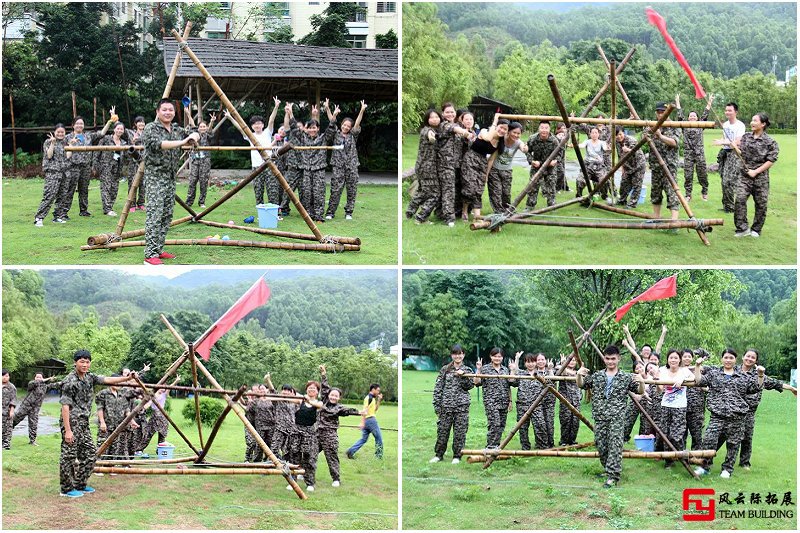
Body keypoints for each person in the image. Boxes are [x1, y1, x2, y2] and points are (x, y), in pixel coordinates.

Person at [59, 350, 136, 497]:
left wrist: (127, 378)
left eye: (87, 362)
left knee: (90, 454)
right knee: (68, 456)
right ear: (75, 362)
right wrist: (68, 430)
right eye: (82, 361)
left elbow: (108, 380)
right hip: (71, 423)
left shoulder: (90, 377)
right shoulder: (69, 381)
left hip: (83, 423)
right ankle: (66, 489)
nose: (85, 365)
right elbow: (65, 406)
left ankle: (80, 484)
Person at [141, 98, 200, 265]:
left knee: (166, 215)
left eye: (171, 110)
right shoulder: (150, 128)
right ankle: (150, 254)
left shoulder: (175, 128)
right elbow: (158, 144)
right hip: (155, 178)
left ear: (174, 113)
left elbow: (195, 132)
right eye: (164, 109)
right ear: (158, 112)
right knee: (155, 214)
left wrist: (193, 136)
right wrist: (182, 142)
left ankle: (158, 249)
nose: (168, 112)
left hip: (170, 178)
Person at [577, 344, 644, 488]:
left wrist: (642, 381)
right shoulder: (597, 376)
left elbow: (639, 391)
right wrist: (579, 374)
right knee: (601, 444)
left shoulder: (626, 377)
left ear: (618, 359)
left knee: (615, 445)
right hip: (600, 416)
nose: (610, 362)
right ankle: (608, 469)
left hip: (617, 417)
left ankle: (613, 475)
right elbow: (582, 385)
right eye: (607, 359)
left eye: (613, 359)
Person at [694, 349, 764, 478]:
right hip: (717, 416)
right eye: (726, 357)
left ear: (735, 360)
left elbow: (756, 388)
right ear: (722, 359)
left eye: (731, 358)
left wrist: (760, 375)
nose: (728, 360)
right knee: (709, 440)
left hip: (736, 417)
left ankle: (727, 469)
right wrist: (697, 366)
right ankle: (704, 466)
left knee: (733, 444)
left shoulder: (744, 376)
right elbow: (699, 381)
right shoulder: (714, 374)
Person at [736, 349, 796, 470]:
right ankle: (707, 459)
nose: (749, 359)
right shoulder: (732, 370)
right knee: (722, 435)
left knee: (747, 437)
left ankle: (744, 463)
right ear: (743, 357)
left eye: (753, 357)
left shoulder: (759, 375)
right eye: (747, 356)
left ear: (756, 361)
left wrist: (793, 389)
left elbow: (776, 383)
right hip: (732, 410)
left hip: (749, 412)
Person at [287, 102, 337, 222]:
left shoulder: (323, 139)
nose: (312, 130)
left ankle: (319, 216)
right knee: (307, 194)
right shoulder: (303, 137)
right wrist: (290, 113)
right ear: (307, 129)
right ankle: (308, 216)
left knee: (319, 194)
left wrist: (333, 115)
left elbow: (331, 129)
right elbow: (294, 128)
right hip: (306, 170)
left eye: (314, 127)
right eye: (310, 128)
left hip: (318, 170)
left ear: (318, 128)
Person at [228, 97, 281, 206]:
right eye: (254, 124)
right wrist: (230, 117)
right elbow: (240, 128)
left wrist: (276, 106)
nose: (257, 125)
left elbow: (271, 120)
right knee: (258, 190)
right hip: (256, 167)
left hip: (269, 164)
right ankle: (261, 212)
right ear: (252, 126)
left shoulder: (267, 132)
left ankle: (275, 213)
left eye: (259, 123)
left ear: (262, 125)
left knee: (273, 190)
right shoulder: (250, 135)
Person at [733, 113, 779, 238]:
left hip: (760, 178)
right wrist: (734, 148)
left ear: (763, 124)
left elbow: (771, 160)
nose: (752, 123)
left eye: (755, 120)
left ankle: (756, 229)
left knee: (761, 204)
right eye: (752, 120)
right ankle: (742, 228)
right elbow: (742, 154)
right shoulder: (746, 137)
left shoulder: (770, 142)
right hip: (745, 175)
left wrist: (756, 171)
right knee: (740, 199)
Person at [60, 113, 113, 219]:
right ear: (73, 125)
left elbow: (101, 133)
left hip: (86, 167)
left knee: (84, 189)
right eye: (77, 123)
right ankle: (64, 212)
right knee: (70, 190)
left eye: (81, 124)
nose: (79, 125)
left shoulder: (88, 136)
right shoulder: (67, 137)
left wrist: (109, 122)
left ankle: (83, 210)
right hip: (72, 167)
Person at [317, 365, 361, 487]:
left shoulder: (339, 407)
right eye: (332, 395)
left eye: (336, 396)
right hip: (318, 433)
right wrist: (324, 374)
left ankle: (336, 479)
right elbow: (325, 387)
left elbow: (347, 411)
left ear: (339, 398)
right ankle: (305, 473)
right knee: (310, 453)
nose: (333, 397)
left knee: (331, 457)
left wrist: (359, 412)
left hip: (330, 436)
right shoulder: (324, 401)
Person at [431, 345, 474, 464]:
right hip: (446, 406)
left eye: (460, 354)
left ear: (463, 355)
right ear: (452, 355)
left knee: (460, 432)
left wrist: (463, 376)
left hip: (462, 406)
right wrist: (437, 405)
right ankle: (439, 455)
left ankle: (457, 455)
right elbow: (438, 388)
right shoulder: (445, 369)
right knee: (442, 431)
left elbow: (470, 386)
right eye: (455, 354)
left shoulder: (467, 370)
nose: (458, 356)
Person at [326, 100, 367, 220]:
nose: (346, 127)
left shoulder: (353, 135)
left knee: (352, 190)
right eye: (344, 125)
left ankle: (349, 212)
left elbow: (357, 123)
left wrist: (362, 110)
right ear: (341, 125)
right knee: (335, 189)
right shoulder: (336, 134)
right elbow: (332, 123)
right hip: (338, 166)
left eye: (348, 126)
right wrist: (329, 110)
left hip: (351, 166)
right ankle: (330, 213)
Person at [658, 349, 699, 466]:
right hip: (665, 405)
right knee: (665, 434)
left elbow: (696, 379)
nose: (673, 360)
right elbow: (660, 389)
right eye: (671, 358)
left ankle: (682, 457)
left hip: (679, 407)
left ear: (679, 359)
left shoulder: (684, 371)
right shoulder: (663, 370)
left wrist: (683, 379)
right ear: (667, 360)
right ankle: (669, 461)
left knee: (677, 435)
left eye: (676, 358)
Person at [461, 121, 508, 220]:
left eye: (505, 129)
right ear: (496, 126)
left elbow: (490, 160)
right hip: (470, 159)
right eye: (501, 127)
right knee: (470, 187)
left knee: (479, 189)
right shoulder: (484, 131)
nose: (502, 130)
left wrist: (486, 174)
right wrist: (495, 120)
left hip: (482, 163)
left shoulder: (499, 144)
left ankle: (477, 217)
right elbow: (487, 138)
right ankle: (464, 210)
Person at [437, 102, 471, 226]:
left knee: (456, 190)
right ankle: (449, 219)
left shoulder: (457, 125)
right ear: (443, 114)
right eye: (447, 112)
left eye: (452, 111)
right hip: (446, 164)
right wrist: (465, 132)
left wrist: (468, 135)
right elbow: (455, 129)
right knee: (448, 191)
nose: (450, 114)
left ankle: (445, 213)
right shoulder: (444, 125)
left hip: (457, 165)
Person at [406, 109, 442, 224]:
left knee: (422, 192)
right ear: (427, 119)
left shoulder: (426, 130)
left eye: (437, 117)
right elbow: (430, 135)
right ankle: (421, 218)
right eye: (432, 117)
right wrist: (432, 138)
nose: (435, 119)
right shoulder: (428, 130)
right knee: (435, 194)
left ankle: (409, 212)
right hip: (428, 168)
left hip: (422, 167)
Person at [648, 102, 682, 225]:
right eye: (659, 112)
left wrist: (660, 136)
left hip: (669, 166)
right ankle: (656, 218)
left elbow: (674, 142)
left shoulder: (674, 126)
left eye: (663, 112)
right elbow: (644, 139)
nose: (660, 114)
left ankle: (674, 222)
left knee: (672, 193)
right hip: (656, 165)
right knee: (655, 193)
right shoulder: (653, 125)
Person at [675, 93, 712, 201]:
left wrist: (709, 102)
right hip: (688, 154)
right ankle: (688, 195)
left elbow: (705, 114)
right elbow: (679, 115)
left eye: (694, 116)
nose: (692, 117)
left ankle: (704, 192)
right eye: (690, 115)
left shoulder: (701, 125)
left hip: (699, 154)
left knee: (702, 174)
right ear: (688, 118)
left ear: (697, 118)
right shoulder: (684, 126)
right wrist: (677, 102)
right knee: (688, 175)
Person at [288, 381, 324, 491]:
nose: (311, 390)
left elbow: (318, 406)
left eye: (314, 388)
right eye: (309, 388)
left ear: (317, 391)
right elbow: (287, 398)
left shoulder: (319, 403)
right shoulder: (300, 401)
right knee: (294, 456)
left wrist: (308, 400)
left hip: (310, 433)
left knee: (309, 458)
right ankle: (292, 481)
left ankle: (310, 483)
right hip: (296, 431)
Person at [34, 124, 72, 226]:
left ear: (65, 133)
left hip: (64, 173)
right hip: (53, 173)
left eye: (62, 132)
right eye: (58, 132)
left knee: (62, 196)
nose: (60, 134)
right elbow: (49, 155)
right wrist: (52, 143)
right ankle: (39, 218)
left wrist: (71, 145)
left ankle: (58, 216)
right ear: (55, 132)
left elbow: (68, 156)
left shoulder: (66, 142)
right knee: (49, 196)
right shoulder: (48, 142)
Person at [473, 348, 511, 449]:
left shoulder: (505, 370)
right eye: (495, 356)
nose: (497, 358)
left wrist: (510, 401)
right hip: (491, 402)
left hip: (504, 401)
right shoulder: (485, 369)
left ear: (502, 358)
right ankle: (490, 446)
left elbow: (508, 386)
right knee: (495, 424)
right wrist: (478, 369)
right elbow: (476, 382)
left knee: (501, 425)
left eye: (499, 356)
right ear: (491, 357)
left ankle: (496, 446)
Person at [713, 102, 746, 213]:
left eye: (730, 110)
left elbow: (737, 142)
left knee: (728, 180)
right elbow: (725, 140)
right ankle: (727, 206)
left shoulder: (740, 125)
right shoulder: (725, 125)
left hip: (734, 154)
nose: (727, 112)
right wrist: (722, 142)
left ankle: (732, 207)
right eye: (726, 110)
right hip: (725, 153)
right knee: (723, 179)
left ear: (735, 112)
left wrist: (722, 141)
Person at [487, 122, 527, 214]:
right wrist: (487, 173)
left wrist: (525, 148)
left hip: (507, 171)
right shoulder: (501, 140)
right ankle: (499, 213)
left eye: (518, 133)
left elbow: (524, 148)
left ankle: (507, 211)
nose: (516, 135)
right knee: (496, 192)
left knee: (506, 193)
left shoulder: (518, 142)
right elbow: (491, 159)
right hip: (494, 170)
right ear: (508, 132)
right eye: (514, 132)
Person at [11, 373, 60, 446]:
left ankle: (32, 441)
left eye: (40, 377)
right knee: (15, 419)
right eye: (37, 377)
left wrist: (62, 382)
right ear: (35, 378)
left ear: (42, 377)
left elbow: (55, 385)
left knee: (33, 424)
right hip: (26, 405)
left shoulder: (45, 387)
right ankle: (5, 433)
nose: (38, 378)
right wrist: (47, 379)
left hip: (35, 408)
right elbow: (35, 382)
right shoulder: (32, 383)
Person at [94, 377, 130, 470]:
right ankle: (98, 468)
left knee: (115, 447)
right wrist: (102, 422)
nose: (118, 384)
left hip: (117, 426)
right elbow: (100, 408)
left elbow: (126, 410)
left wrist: (131, 421)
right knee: (102, 446)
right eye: (116, 382)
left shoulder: (122, 394)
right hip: (106, 425)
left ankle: (110, 467)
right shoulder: (103, 394)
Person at [184, 111, 217, 208]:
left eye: (204, 126)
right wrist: (188, 113)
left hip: (205, 161)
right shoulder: (195, 134)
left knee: (203, 182)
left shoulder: (208, 135)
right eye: (201, 127)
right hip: (195, 161)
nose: (202, 128)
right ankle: (189, 202)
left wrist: (211, 122)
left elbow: (210, 130)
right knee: (192, 181)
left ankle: (201, 202)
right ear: (198, 128)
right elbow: (192, 124)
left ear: (206, 127)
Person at [96, 121, 130, 216]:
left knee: (114, 188)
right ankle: (107, 209)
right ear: (114, 129)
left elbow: (125, 156)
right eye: (118, 128)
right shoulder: (106, 139)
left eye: (121, 129)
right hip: (106, 166)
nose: (119, 130)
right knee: (106, 187)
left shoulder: (123, 143)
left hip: (118, 168)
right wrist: (95, 165)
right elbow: (97, 152)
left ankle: (109, 207)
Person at [526, 121, 560, 208]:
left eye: (546, 128)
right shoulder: (532, 138)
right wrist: (532, 161)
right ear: (538, 128)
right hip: (536, 166)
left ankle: (551, 205)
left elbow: (560, 154)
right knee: (533, 186)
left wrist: (555, 161)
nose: (544, 130)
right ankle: (530, 206)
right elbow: (527, 151)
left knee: (551, 186)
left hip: (550, 167)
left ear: (549, 129)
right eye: (542, 128)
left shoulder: (554, 140)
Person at [346, 383, 383, 460]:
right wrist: (362, 422)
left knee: (363, 439)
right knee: (379, 438)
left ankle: (350, 451)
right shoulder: (368, 398)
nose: (378, 392)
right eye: (378, 390)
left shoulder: (372, 398)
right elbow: (364, 411)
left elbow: (375, 409)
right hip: (371, 421)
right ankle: (378, 457)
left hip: (367, 421)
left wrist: (379, 400)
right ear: (373, 389)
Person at [614, 127, 646, 209]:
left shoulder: (631, 140)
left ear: (623, 133)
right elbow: (620, 156)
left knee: (636, 185)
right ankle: (622, 200)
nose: (619, 137)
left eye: (620, 134)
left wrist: (627, 149)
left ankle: (632, 204)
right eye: (616, 135)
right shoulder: (617, 142)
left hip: (638, 165)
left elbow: (634, 150)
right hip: (627, 166)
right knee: (624, 183)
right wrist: (623, 168)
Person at [681, 349, 706, 451]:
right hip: (681, 406)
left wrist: (697, 365)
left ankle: (696, 456)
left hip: (696, 406)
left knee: (696, 433)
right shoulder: (677, 370)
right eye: (684, 356)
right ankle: (681, 455)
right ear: (681, 358)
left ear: (692, 358)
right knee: (681, 433)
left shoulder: (699, 369)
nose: (687, 358)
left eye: (689, 356)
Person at [577, 126, 610, 199]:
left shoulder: (602, 142)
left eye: (596, 133)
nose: (594, 134)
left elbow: (605, 148)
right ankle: (578, 195)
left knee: (605, 181)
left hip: (599, 167)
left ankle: (604, 195)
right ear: (590, 134)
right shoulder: (587, 141)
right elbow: (582, 146)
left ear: (598, 134)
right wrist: (575, 144)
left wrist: (608, 148)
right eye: (592, 133)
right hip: (588, 166)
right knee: (580, 180)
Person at [557, 354, 582, 446]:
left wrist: (576, 373)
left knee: (575, 421)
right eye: (570, 360)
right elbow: (562, 372)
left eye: (574, 360)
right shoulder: (562, 369)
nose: (572, 362)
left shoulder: (579, 372)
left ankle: (572, 440)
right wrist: (563, 364)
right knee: (566, 420)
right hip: (565, 400)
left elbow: (583, 375)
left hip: (576, 400)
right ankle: (563, 440)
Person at [125, 116, 147, 212]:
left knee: (143, 184)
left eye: (142, 122)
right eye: (139, 122)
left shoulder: (147, 133)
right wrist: (114, 118)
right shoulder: (131, 133)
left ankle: (141, 203)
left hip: (144, 160)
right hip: (133, 162)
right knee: (132, 183)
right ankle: (132, 204)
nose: (141, 124)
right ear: (135, 124)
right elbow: (121, 129)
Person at [271, 384, 297, 460]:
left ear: (291, 392)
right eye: (284, 390)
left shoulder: (294, 402)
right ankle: (276, 463)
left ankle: (286, 465)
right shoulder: (278, 401)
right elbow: (273, 391)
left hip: (291, 430)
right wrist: (268, 380)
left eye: (288, 390)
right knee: (274, 449)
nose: (285, 392)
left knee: (288, 451)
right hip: (280, 429)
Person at [2, 370, 16, 450]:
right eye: (3, 375)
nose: (4, 377)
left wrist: (12, 410)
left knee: (7, 428)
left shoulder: (11, 387)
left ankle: (6, 445)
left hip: (6, 411)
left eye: (6, 376)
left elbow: (13, 400)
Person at [554, 122, 570, 192]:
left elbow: (569, 135)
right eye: (562, 128)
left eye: (564, 128)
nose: (564, 130)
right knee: (560, 172)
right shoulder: (555, 138)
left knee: (563, 172)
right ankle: (557, 188)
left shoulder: (564, 137)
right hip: (557, 158)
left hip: (562, 157)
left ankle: (565, 187)